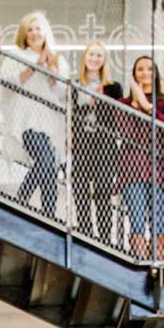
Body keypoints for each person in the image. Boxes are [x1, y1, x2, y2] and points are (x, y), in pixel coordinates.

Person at [2, 10, 66, 220]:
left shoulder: (57, 58)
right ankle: (21, 199)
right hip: (27, 121)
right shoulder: (16, 56)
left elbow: (61, 93)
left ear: (45, 32)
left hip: (51, 122)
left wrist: (52, 69)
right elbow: (7, 84)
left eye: (38, 28)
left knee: (49, 170)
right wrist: (35, 66)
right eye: (30, 29)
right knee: (46, 162)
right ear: (24, 34)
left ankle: (49, 217)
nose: (34, 33)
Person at [114, 52, 164, 261]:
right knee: (137, 217)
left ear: (156, 74)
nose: (145, 72)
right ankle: (139, 262)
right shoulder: (123, 103)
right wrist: (135, 104)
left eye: (150, 69)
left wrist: (145, 104)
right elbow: (127, 133)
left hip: (160, 168)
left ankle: (158, 263)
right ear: (134, 75)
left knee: (159, 219)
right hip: (131, 168)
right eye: (140, 69)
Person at [71, 38, 123, 243]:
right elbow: (71, 114)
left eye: (99, 55)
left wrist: (99, 104)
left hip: (104, 147)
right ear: (85, 57)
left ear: (104, 61)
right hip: (81, 146)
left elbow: (116, 117)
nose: (94, 58)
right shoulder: (74, 84)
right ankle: (85, 237)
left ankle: (104, 240)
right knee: (81, 192)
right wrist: (88, 105)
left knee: (102, 193)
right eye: (91, 54)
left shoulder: (113, 87)